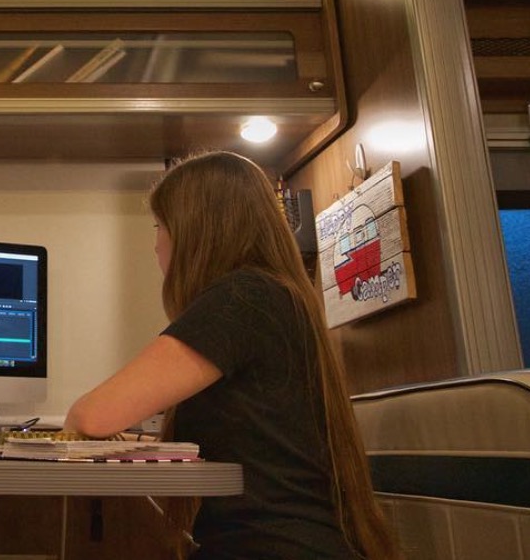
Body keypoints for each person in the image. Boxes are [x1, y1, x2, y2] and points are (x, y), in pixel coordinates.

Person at [62, 151, 397, 559]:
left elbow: (92, 416)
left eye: (160, 225)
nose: (155, 244)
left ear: (195, 231)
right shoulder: (272, 295)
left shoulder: (243, 298)